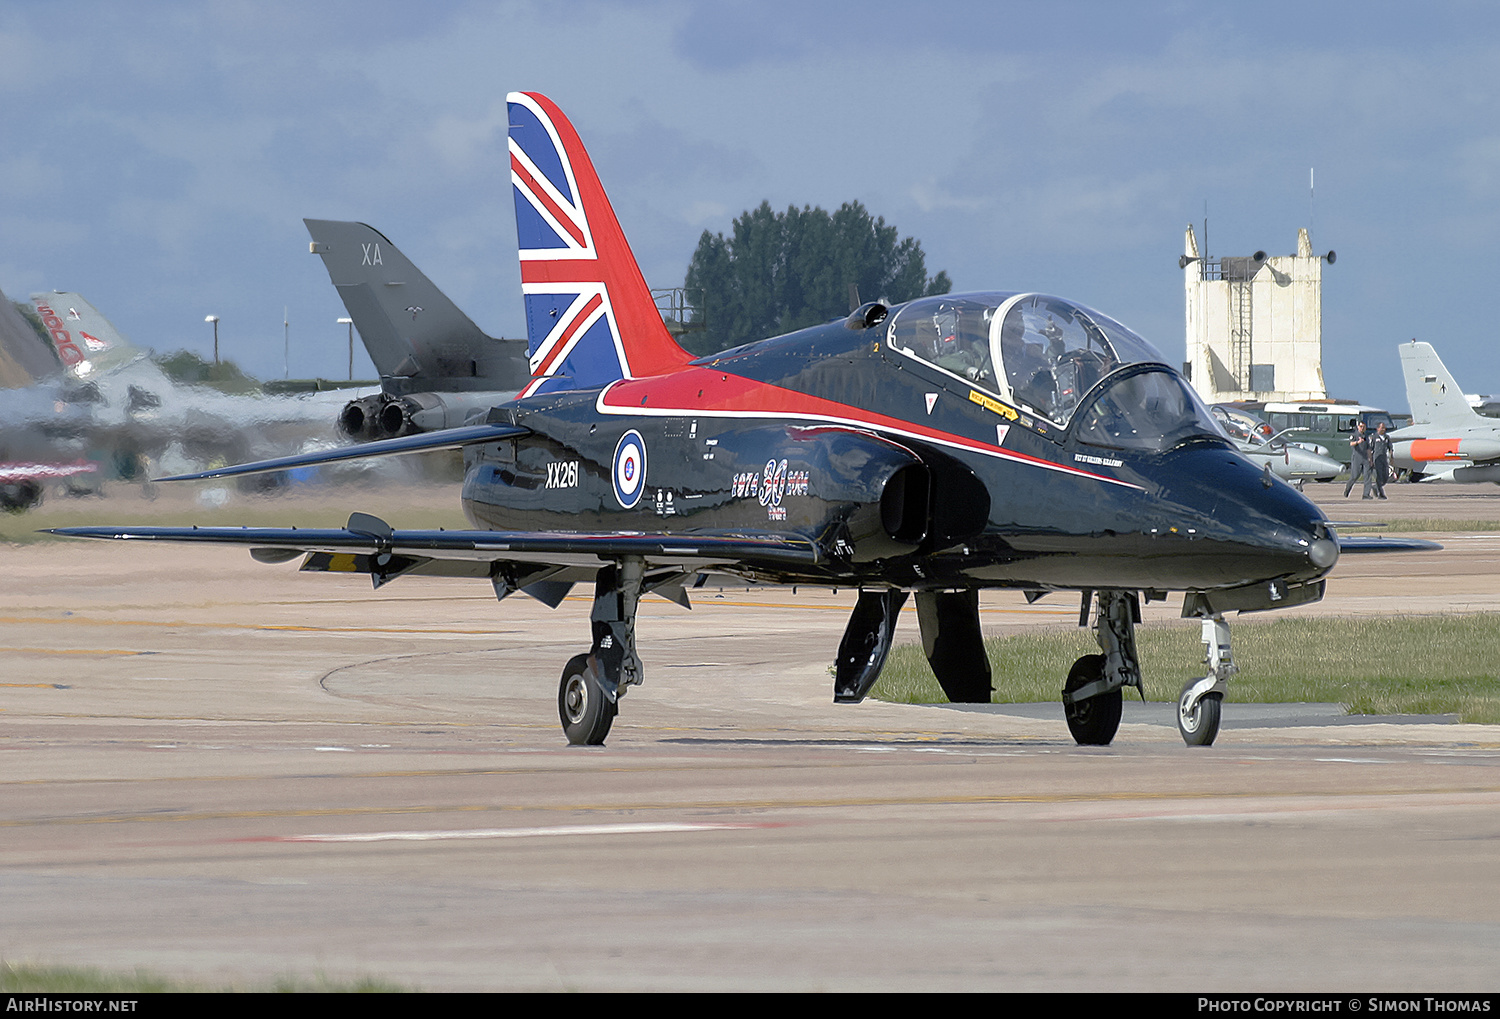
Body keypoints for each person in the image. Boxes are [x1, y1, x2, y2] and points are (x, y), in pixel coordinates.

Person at [1365, 421, 1393, 500]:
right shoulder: (1373, 437)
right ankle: (1381, 494)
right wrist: (1370, 460)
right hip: (1376, 459)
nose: (1384, 429)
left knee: (1385, 477)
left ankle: (1375, 487)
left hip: (1384, 459)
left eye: (1384, 428)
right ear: (1378, 428)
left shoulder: (1387, 437)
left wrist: (1391, 458)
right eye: (1382, 428)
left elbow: (1390, 448)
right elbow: (1370, 449)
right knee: (1379, 477)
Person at [1343, 421, 1369, 498]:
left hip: (1366, 458)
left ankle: (1366, 494)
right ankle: (1347, 490)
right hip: (1357, 458)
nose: (1362, 428)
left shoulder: (1366, 436)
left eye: (1364, 427)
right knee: (1355, 476)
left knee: (1367, 476)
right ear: (1358, 427)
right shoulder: (1354, 435)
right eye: (1361, 427)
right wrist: (1358, 442)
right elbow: (1351, 443)